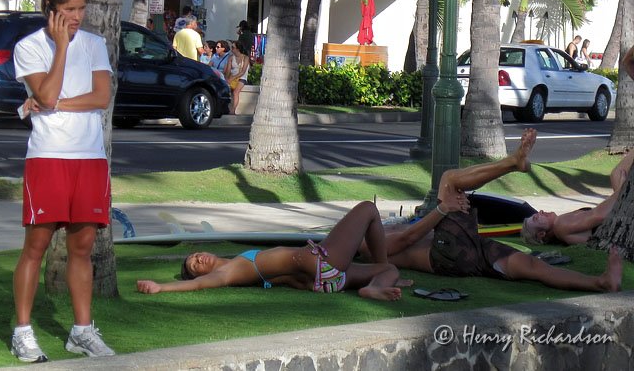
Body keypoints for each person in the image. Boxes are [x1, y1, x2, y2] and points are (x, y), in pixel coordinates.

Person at [360, 129, 622, 293]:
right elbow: (408, 238)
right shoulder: (365, 244)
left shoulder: (371, 236)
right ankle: (512, 163)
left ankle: (600, 282)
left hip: (467, 253)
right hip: (445, 253)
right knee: (449, 180)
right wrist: (442, 209)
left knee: (532, 266)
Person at [10, 0, 115, 363]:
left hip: (90, 158)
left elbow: (101, 96)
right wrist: (60, 48)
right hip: (48, 156)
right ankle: (23, 333)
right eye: (69, 9)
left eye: (81, 8)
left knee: (82, 248)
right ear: (50, 10)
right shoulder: (29, 47)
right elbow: (47, 92)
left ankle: (82, 332)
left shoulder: (95, 44)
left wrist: (58, 105)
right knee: (35, 247)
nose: (77, 16)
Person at [136, 199, 422, 301]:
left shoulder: (238, 263)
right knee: (368, 209)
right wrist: (161, 287)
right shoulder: (228, 272)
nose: (198, 258)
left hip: (328, 281)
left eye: (195, 256)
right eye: (195, 265)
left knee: (390, 268)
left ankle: (376, 285)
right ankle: (378, 279)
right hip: (322, 262)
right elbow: (198, 285)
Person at [522, 149, 634, 245]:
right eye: (536, 218)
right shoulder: (561, 224)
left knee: (616, 174)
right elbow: (599, 215)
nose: (540, 211)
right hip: (623, 222)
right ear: (541, 234)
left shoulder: (561, 231)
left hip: (620, 220)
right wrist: (623, 188)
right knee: (617, 173)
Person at [224, 40, 250, 114]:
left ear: (238, 49)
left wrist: (232, 78)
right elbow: (228, 70)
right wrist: (227, 78)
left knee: (236, 92)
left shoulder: (245, 58)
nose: (231, 49)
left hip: (242, 77)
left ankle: (233, 110)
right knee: (228, 91)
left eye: (233, 47)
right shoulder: (231, 58)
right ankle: (227, 108)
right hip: (232, 76)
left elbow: (243, 71)